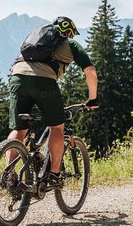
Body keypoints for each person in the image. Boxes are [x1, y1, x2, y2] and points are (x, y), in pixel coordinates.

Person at [6, 16, 98, 188]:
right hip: (43, 82)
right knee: (57, 127)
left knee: (19, 130)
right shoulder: (70, 44)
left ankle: (8, 175)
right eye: (71, 33)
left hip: (16, 77)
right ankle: (54, 175)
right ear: (68, 32)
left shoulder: (35, 41)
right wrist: (93, 98)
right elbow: (90, 71)